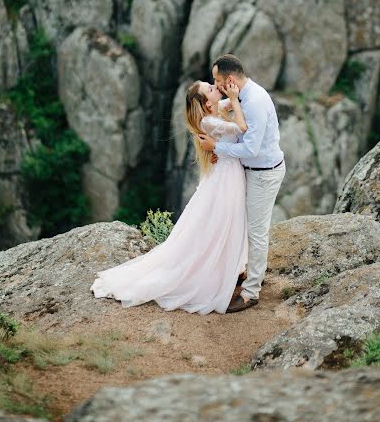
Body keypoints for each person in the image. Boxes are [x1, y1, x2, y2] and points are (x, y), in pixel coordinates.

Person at [90, 80, 248, 315]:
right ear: (206, 102)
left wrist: (233, 94)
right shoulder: (209, 121)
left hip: (228, 175)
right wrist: (234, 100)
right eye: (211, 88)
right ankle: (217, 271)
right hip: (225, 178)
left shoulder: (214, 111)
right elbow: (242, 128)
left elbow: (231, 100)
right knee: (221, 223)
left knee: (229, 222)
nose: (216, 88)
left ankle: (232, 267)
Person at [198, 54, 285, 313]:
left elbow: (250, 147)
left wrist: (217, 147)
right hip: (250, 171)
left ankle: (251, 292)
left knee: (257, 232)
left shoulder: (255, 101)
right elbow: (221, 107)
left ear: (230, 80)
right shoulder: (242, 95)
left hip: (263, 173)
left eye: (216, 80)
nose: (214, 84)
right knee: (243, 224)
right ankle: (242, 270)